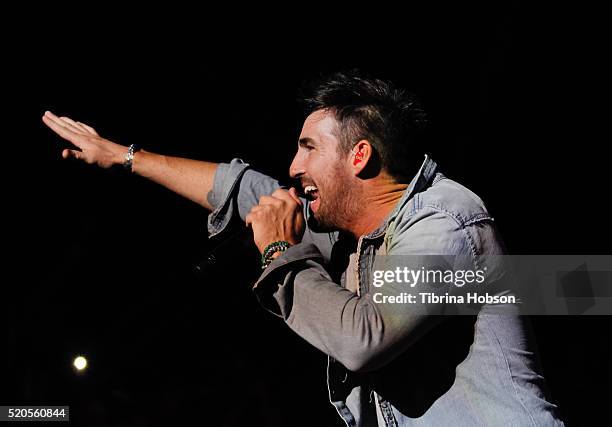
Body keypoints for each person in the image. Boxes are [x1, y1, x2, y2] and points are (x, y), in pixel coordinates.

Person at [43, 71, 564, 426]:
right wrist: (124, 156)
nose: (293, 166)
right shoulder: (355, 238)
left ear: (359, 156)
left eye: (308, 148)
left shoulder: (444, 219)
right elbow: (241, 189)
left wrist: (278, 254)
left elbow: (367, 336)